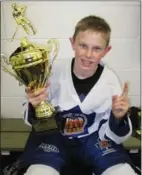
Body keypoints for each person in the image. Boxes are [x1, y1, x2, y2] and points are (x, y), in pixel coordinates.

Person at [22, 15, 137, 175]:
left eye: (97, 48)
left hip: (94, 138)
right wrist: (34, 105)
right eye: (83, 45)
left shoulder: (111, 81)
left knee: (123, 171)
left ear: (106, 50)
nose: (89, 54)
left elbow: (117, 136)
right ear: (72, 43)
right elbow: (38, 123)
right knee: (39, 172)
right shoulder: (52, 72)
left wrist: (118, 117)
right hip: (56, 136)